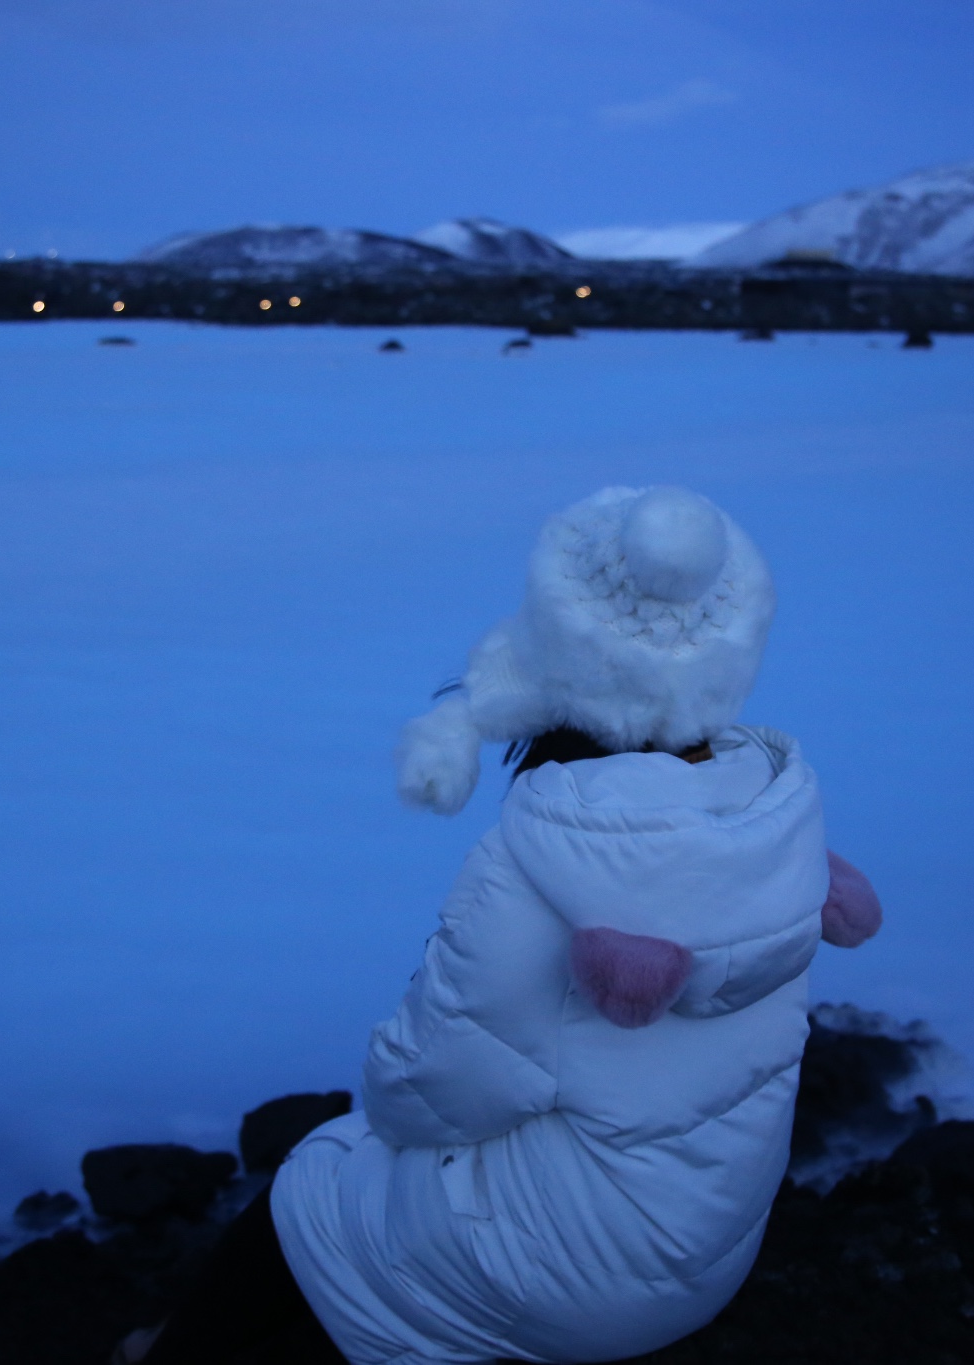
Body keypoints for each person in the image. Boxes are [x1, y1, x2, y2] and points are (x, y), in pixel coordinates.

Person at [131, 485, 882, 1365]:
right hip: (710, 1248)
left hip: (582, 1277)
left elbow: (431, 1090)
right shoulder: (768, 813)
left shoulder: (547, 859)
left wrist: (383, 1099)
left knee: (312, 1185)